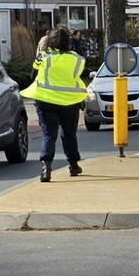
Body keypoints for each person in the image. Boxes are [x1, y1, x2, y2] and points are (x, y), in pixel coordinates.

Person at [20, 29, 87, 182]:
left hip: (46, 101)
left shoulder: (43, 57)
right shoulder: (77, 59)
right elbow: (79, 75)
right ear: (67, 42)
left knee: (48, 135)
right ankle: (73, 165)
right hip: (70, 102)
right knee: (69, 134)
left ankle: (46, 168)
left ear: (50, 42)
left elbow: (32, 76)